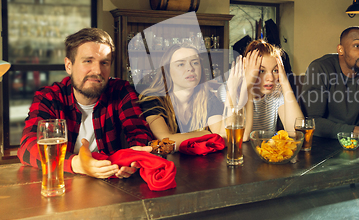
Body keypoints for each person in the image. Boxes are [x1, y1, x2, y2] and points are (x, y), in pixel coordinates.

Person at [18, 28, 154, 179]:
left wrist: (132, 158)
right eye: (88, 61)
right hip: (62, 181)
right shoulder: (49, 97)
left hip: (110, 182)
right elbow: (27, 148)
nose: (97, 70)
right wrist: (76, 164)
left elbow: (138, 132)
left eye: (104, 63)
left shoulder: (120, 91)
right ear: (68, 66)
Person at [138, 43, 223, 150]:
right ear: (167, 71)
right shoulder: (153, 100)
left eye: (195, 63)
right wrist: (206, 133)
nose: (190, 68)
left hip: (203, 164)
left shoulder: (208, 98)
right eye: (181, 64)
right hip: (167, 164)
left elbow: (222, 136)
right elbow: (165, 140)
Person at [231, 39, 303, 141]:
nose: (270, 78)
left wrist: (285, 83)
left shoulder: (276, 90)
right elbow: (242, 137)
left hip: (266, 153)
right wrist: (248, 85)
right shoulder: (231, 89)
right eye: (261, 71)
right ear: (246, 67)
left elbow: (296, 132)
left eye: (275, 70)